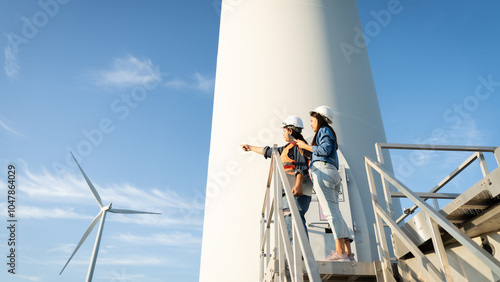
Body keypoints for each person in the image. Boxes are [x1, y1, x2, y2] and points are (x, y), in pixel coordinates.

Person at [295, 105, 354, 262]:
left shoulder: (324, 130)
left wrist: (305, 146)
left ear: (319, 119)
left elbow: (325, 150)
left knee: (330, 213)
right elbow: (324, 153)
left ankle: (340, 253)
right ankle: (348, 253)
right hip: (331, 172)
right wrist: (307, 153)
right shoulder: (327, 132)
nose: (311, 124)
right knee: (337, 213)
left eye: (312, 120)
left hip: (323, 173)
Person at [241, 116, 312, 244]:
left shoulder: (298, 146)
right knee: (288, 220)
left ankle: (301, 255)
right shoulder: (286, 148)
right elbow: (268, 151)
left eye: (284, 131)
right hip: (288, 191)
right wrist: (250, 147)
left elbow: (301, 166)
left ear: (290, 131)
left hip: (296, 191)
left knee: (293, 219)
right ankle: (294, 254)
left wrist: (298, 184)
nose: (283, 134)